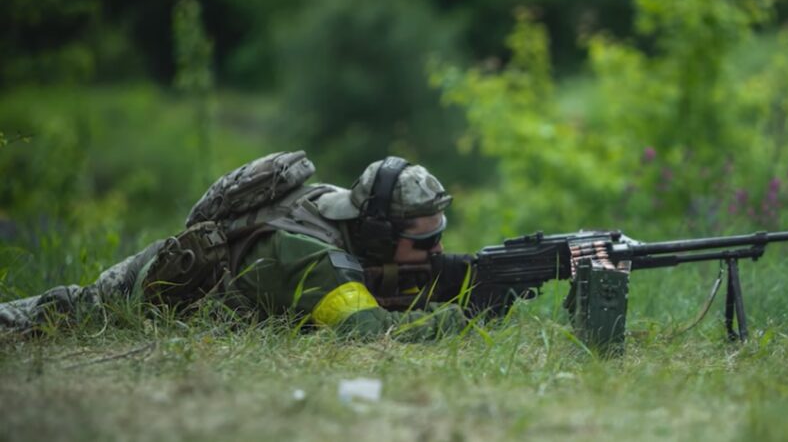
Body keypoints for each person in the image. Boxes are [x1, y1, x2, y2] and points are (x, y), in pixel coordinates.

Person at [0, 153, 472, 340]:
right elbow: (373, 336)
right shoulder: (315, 262)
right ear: (379, 235)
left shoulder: (340, 208)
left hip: (203, 273)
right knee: (62, 314)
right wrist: (460, 315)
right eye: (426, 240)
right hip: (160, 294)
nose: (438, 247)